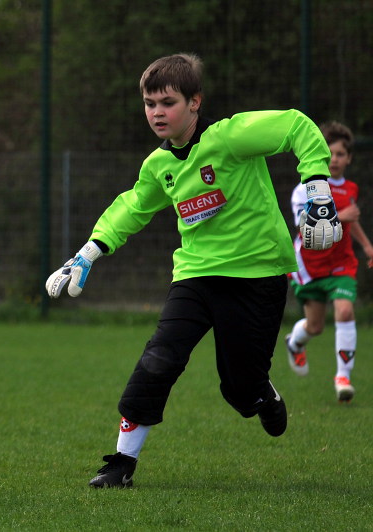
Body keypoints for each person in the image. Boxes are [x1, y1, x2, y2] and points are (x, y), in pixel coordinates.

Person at [45, 53, 342, 488]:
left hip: (258, 275)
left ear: (195, 102)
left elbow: (296, 125)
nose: (157, 112)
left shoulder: (230, 137)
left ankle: (260, 394)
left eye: (167, 102)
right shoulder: (158, 165)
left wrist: (317, 190)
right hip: (196, 275)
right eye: (149, 103)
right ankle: (121, 464)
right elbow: (134, 206)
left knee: (240, 389)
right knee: (158, 359)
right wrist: (89, 251)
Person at [284, 121, 373, 402]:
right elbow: (304, 228)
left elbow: (351, 220)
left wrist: (367, 246)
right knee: (315, 327)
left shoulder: (351, 188)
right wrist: (341, 216)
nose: (334, 159)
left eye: (340, 154)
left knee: (345, 311)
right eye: (330, 153)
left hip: (341, 263)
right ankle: (295, 343)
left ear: (349, 158)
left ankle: (343, 377)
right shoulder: (305, 189)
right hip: (310, 266)